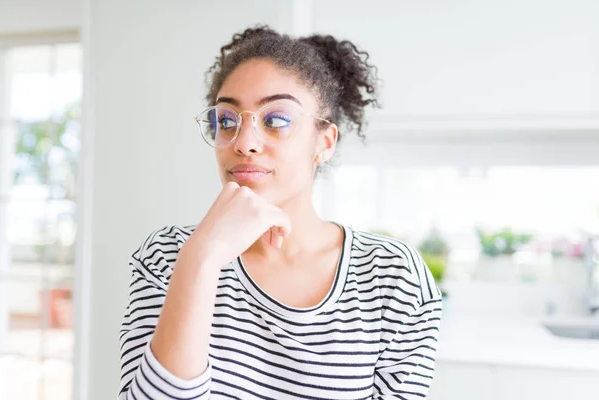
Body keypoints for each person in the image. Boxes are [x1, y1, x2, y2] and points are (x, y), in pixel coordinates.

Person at [118, 26, 442, 400]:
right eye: (227, 121)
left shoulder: (392, 276)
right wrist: (201, 260)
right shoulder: (168, 256)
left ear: (324, 142)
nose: (244, 143)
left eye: (275, 120)